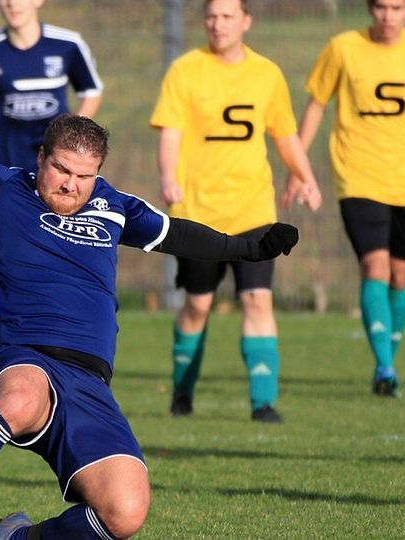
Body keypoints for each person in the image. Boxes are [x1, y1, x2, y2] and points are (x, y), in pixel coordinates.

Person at [0, 9, 299, 540]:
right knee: (21, 399)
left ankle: (10, 537)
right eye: (61, 170)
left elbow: (179, 234)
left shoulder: (114, 205)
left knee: (125, 513)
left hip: (90, 381)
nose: (71, 185)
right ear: (40, 156)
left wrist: (249, 247)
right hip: (22, 356)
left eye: (84, 176)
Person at [148, 0, 322, 423]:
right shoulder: (186, 70)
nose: (217, 24)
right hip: (199, 213)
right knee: (197, 306)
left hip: (254, 209)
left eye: (227, 16)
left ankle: (263, 402)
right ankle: (182, 392)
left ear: (246, 21)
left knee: (258, 300)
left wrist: (305, 174)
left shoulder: (267, 73)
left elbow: (285, 135)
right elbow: (171, 132)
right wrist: (168, 175)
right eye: (211, 17)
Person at [295, 0, 405, 397]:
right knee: (374, 265)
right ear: (370, 9)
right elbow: (317, 106)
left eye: (396, 7)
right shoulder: (342, 47)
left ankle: (388, 358)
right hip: (357, 176)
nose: (387, 15)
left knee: (400, 274)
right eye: (380, 7)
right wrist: (299, 166)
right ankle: (385, 367)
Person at [0, 0, 103, 173]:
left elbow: (92, 92)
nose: (12, 3)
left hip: (59, 171)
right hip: (10, 170)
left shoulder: (68, 45)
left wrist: (71, 134)